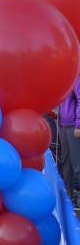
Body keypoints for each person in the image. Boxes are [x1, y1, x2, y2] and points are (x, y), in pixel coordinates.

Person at [58, 72, 80, 207]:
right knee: (66, 164)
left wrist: (78, 125)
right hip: (63, 126)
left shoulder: (76, 79)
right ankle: (68, 196)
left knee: (77, 163)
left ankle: (78, 196)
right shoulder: (65, 80)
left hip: (73, 127)